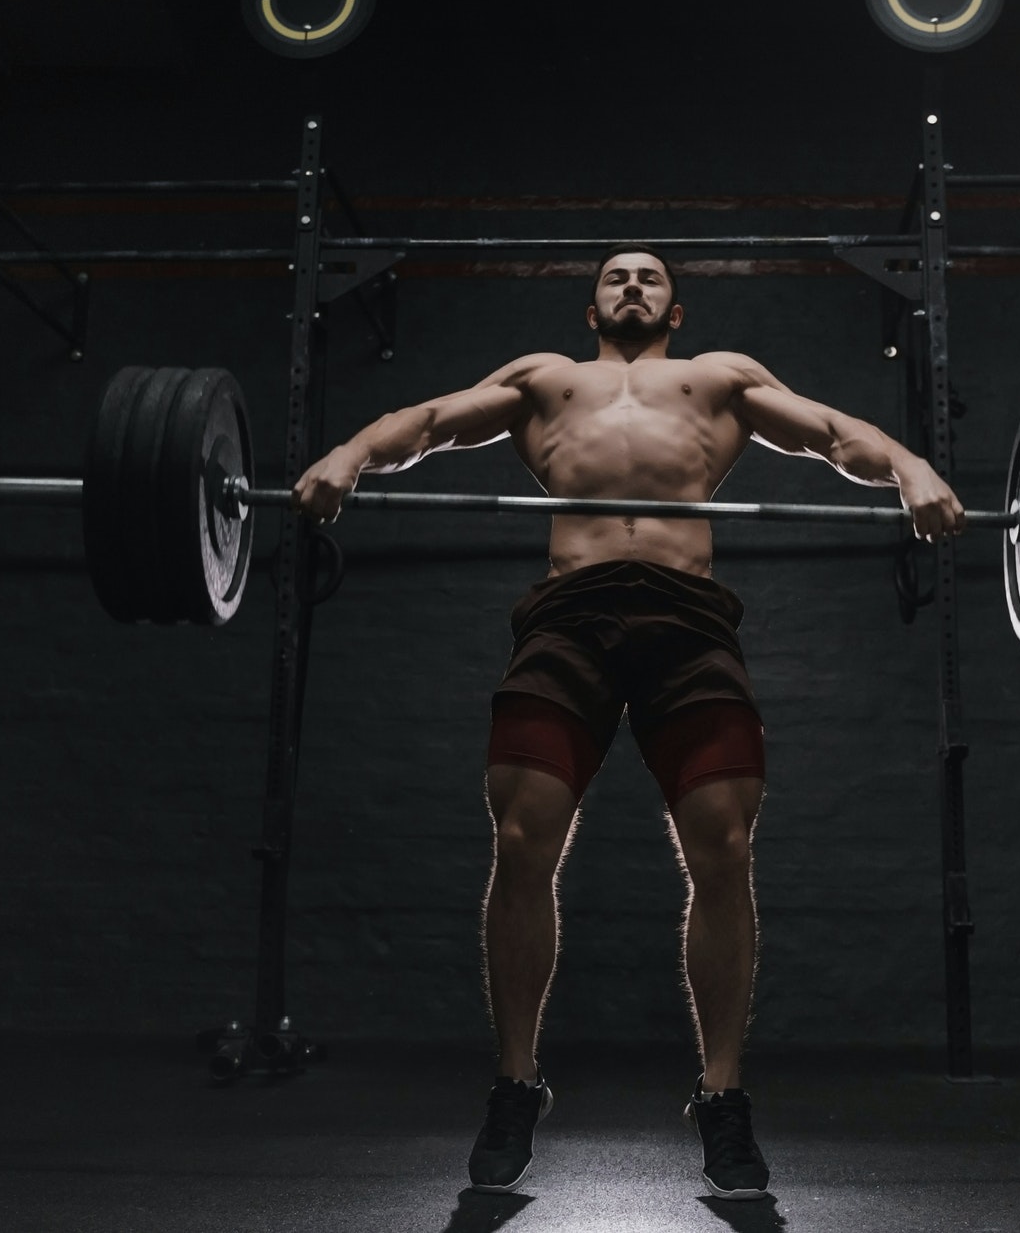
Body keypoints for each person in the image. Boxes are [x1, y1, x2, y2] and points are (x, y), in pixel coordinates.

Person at [293, 244, 967, 1200]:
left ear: (678, 310)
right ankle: (515, 1083)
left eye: (651, 277)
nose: (634, 286)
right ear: (591, 304)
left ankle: (723, 1097)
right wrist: (348, 453)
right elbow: (432, 423)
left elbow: (828, 432)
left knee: (725, 845)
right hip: (570, 616)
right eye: (616, 276)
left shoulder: (717, 379)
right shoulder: (545, 381)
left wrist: (909, 467)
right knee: (523, 837)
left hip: (687, 619)